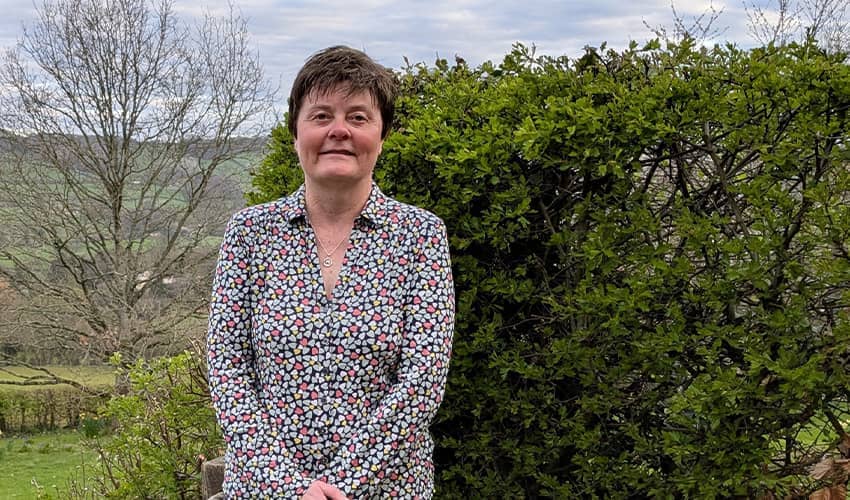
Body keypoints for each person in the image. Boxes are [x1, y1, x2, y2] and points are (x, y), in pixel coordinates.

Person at [206, 46, 455, 499]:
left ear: (382, 134)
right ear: (295, 132)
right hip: (267, 491)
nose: (339, 130)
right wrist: (290, 486)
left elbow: (424, 377)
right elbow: (228, 369)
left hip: (386, 490)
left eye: (358, 117)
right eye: (321, 116)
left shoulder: (421, 235)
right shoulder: (249, 233)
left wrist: (342, 484)